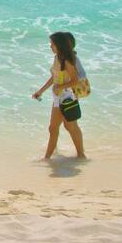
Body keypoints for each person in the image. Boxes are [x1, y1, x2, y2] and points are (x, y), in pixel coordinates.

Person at [32, 31, 86, 160]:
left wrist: (60, 87)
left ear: (59, 45)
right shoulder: (57, 58)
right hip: (58, 97)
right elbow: (54, 77)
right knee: (61, 127)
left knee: (61, 127)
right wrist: (41, 91)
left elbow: (75, 80)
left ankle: (51, 157)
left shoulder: (67, 61)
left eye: (52, 44)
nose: (50, 46)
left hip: (67, 97)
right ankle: (52, 156)